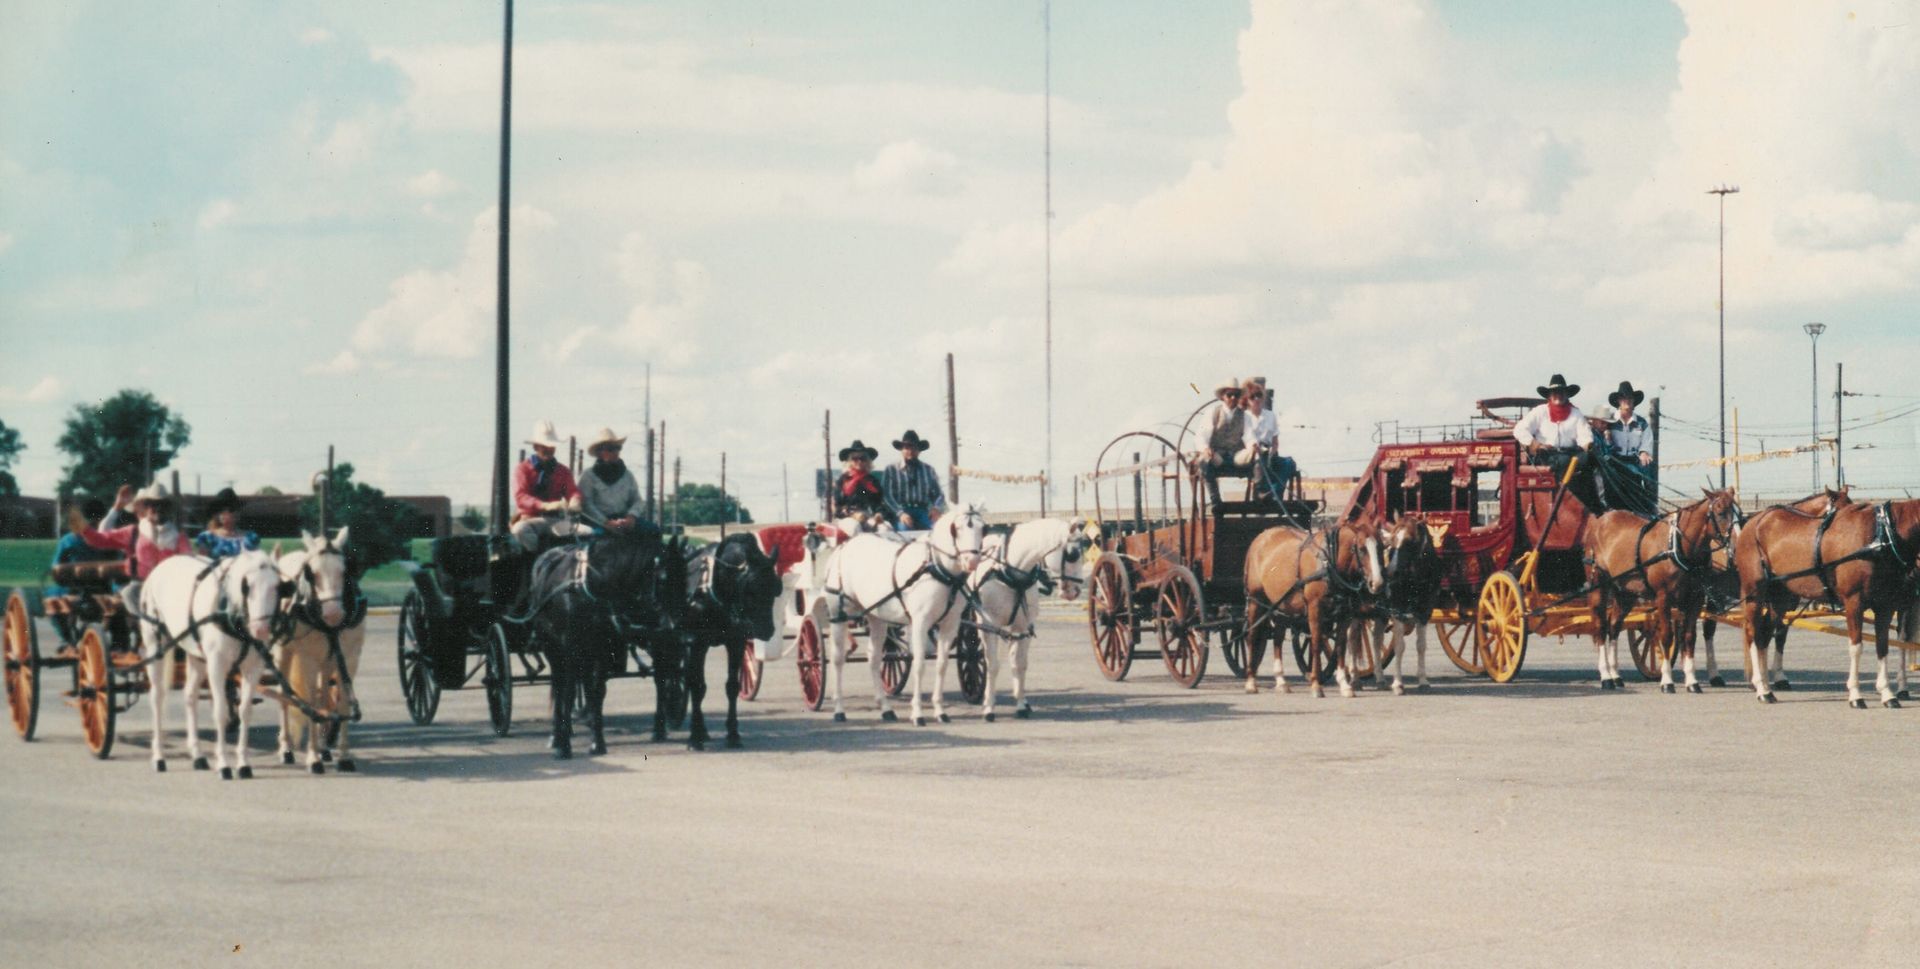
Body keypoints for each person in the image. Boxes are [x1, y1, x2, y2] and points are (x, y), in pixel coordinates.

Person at [70, 482, 194, 622]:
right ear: (145, 508)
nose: (156, 509)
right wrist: (82, 527)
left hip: (170, 587)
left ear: (168, 509)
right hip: (140, 586)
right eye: (151, 504)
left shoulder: (179, 537)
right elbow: (100, 539)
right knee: (129, 593)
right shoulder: (133, 532)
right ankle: (148, 624)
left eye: (162, 505)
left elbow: (188, 561)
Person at [1511, 373, 1604, 511]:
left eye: (1561, 392)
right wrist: (1535, 444)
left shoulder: (1575, 413)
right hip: (1546, 455)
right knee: (1566, 462)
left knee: (1592, 459)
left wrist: (1587, 444)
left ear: (1567, 394)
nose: (1558, 395)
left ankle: (1596, 505)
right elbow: (1519, 430)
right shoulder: (1540, 412)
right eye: (1554, 393)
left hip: (1571, 454)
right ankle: (1569, 505)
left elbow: (1584, 435)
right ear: (1549, 396)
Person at [511, 419, 585, 552]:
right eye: (544, 446)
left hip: (556, 520)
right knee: (520, 530)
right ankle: (538, 561)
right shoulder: (522, 469)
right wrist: (545, 505)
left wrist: (575, 501)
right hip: (530, 521)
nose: (548, 449)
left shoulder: (563, 471)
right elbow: (521, 497)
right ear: (535, 447)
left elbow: (572, 491)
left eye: (551, 446)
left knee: (587, 533)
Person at [577, 427, 657, 537]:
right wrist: (606, 522)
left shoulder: (627, 475)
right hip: (597, 522)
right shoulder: (588, 476)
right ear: (599, 452)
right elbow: (586, 505)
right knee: (596, 540)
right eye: (610, 449)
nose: (615, 452)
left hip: (624, 520)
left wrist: (631, 517)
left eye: (617, 448)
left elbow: (637, 500)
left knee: (653, 531)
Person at [1237, 378, 1298, 502]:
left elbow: (1275, 440)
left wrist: (1273, 451)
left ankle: (1274, 494)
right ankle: (1261, 492)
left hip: (1269, 452)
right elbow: (1247, 437)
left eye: (1259, 395)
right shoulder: (1244, 417)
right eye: (1252, 397)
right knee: (1261, 459)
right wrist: (1256, 448)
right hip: (1253, 453)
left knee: (1289, 463)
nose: (1257, 399)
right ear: (1247, 400)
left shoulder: (1270, 416)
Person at [1602, 381, 1658, 514]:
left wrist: (1644, 452)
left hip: (1634, 460)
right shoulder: (1610, 421)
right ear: (1618, 401)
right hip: (1615, 459)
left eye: (1629, 398)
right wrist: (1608, 439)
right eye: (1623, 398)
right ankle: (1606, 505)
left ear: (1634, 401)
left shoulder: (1641, 423)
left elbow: (1647, 440)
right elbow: (1603, 442)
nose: (1627, 401)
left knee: (1648, 465)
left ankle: (1650, 504)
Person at [879, 430, 946, 531]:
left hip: (923, 511)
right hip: (901, 510)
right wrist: (900, 513)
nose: (910, 451)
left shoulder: (928, 470)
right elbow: (887, 495)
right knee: (904, 530)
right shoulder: (891, 469)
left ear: (919, 450)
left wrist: (936, 508)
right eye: (907, 448)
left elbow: (939, 494)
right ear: (901, 450)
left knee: (937, 529)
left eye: (914, 448)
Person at [1199, 380, 1248, 505]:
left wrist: (1253, 447)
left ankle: (1260, 500)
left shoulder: (1245, 416)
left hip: (1236, 455)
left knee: (1258, 458)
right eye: (1229, 394)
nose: (1233, 398)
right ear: (1222, 396)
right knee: (1204, 461)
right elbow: (1202, 435)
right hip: (1218, 455)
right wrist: (1205, 448)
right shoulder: (1213, 412)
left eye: (1236, 395)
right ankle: (1215, 500)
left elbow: (1250, 436)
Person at [831, 440, 887, 529]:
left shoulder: (872, 481)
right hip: (845, 518)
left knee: (884, 528)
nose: (859, 461)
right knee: (855, 527)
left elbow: (878, 503)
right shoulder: (842, 480)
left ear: (867, 461)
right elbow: (837, 508)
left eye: (863, 458)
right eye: (855, 458)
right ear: (849, 461)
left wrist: (879, 514)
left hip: (867, 516)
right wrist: (853, 515)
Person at [192, 487, 261, 560]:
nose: (225, 514)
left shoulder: (250, 538)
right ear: (216, 514)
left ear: (237, 513)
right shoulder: (206, 538)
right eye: (221, 510)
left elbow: (257, 562)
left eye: (231, 509)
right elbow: (203, 565)